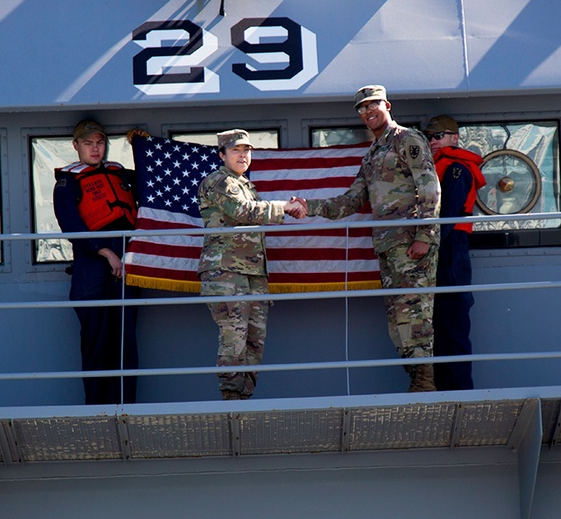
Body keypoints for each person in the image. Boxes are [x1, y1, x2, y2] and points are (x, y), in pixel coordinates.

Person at [291, 85, 441, 392]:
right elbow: (352, 200)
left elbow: (430, 188)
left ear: (387, 105)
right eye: (361, 108)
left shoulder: (407, 139)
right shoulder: (372, 153)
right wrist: (311, 207)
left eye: (373, 105)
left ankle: (426, 384)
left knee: (415, 312)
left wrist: (425, 235)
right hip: (388, 246)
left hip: (411, 241)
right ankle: (417, 380)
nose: (367, 112)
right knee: (398, 318)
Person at [198, 129, 306, 400]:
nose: (243, 155)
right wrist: (284, 206)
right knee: (234, 339)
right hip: (226, 272)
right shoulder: (217, 181)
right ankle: (231, 401)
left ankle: (244, 400)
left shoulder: (247, 185)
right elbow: (243, 212)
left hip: (253, 274)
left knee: (254, 342)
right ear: (222, 154)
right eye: (236, 150)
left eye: (247, 150)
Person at [53, 119, 140, 405]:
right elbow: (72, 227)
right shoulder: (67, 183)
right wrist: (105, 251)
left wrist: (142, 146)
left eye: (99, 143)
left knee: (125, 344)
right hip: (91, 273)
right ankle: (97, 413)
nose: (95, 149)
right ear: (76, 146)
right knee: (96, 344)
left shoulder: (119, 174)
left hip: (125, 271)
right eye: (88, 143)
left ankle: (127, 408)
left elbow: (152, 185)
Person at [424, 115, 486, 391]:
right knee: (437, 325)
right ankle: (441, 391)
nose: (433, 141)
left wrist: (429, 247)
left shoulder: (457, 168)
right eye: (429, 136)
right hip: (443, 246)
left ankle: (461, 393)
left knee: (454, 324)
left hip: (451, 247)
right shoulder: (433, 167)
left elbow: (448, 215)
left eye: (439, 136)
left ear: (454, 138)